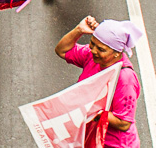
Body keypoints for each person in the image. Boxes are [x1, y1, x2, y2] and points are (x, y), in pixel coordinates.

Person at [55, 16, 143, 147]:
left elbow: (124, 123)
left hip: (113, 144)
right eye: (92, 44)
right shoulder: (91, 56)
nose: (93, 50)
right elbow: (62, 50)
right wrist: (79, 30)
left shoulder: (125, 78)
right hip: (90, 137)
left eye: (101, 49)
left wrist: (94, 110)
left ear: (116, 52)